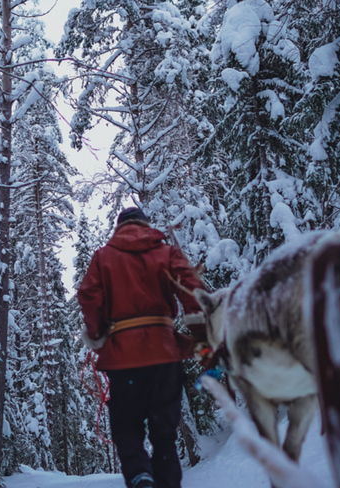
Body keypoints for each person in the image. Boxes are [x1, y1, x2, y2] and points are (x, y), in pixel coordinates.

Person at [77, 207, 208, 488]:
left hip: (123, 359)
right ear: (146, 226)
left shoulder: (103, 257)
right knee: (164, 435)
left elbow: (88, 295)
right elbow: (191, 288)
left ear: (119, 228)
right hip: (163, 353)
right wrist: (201, 334)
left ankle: (140, 476)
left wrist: (99, 334)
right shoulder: (166, 252)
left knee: (127, 429)